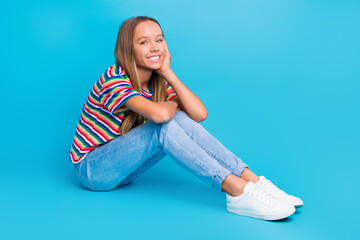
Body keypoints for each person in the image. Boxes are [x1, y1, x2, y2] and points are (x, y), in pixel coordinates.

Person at [69, 16, 303, 221]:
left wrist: (168, 73)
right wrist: (172, 106)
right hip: (93, 171)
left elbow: (199, 114)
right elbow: (160, 115)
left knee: (176, 119)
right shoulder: (113, 78)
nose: (154, 47)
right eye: (144, 42)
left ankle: (252, 181)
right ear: (127, 49)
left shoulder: (156, 83)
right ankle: (236, 191)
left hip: (125, 173)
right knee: (165, 124)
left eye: (159, 40)